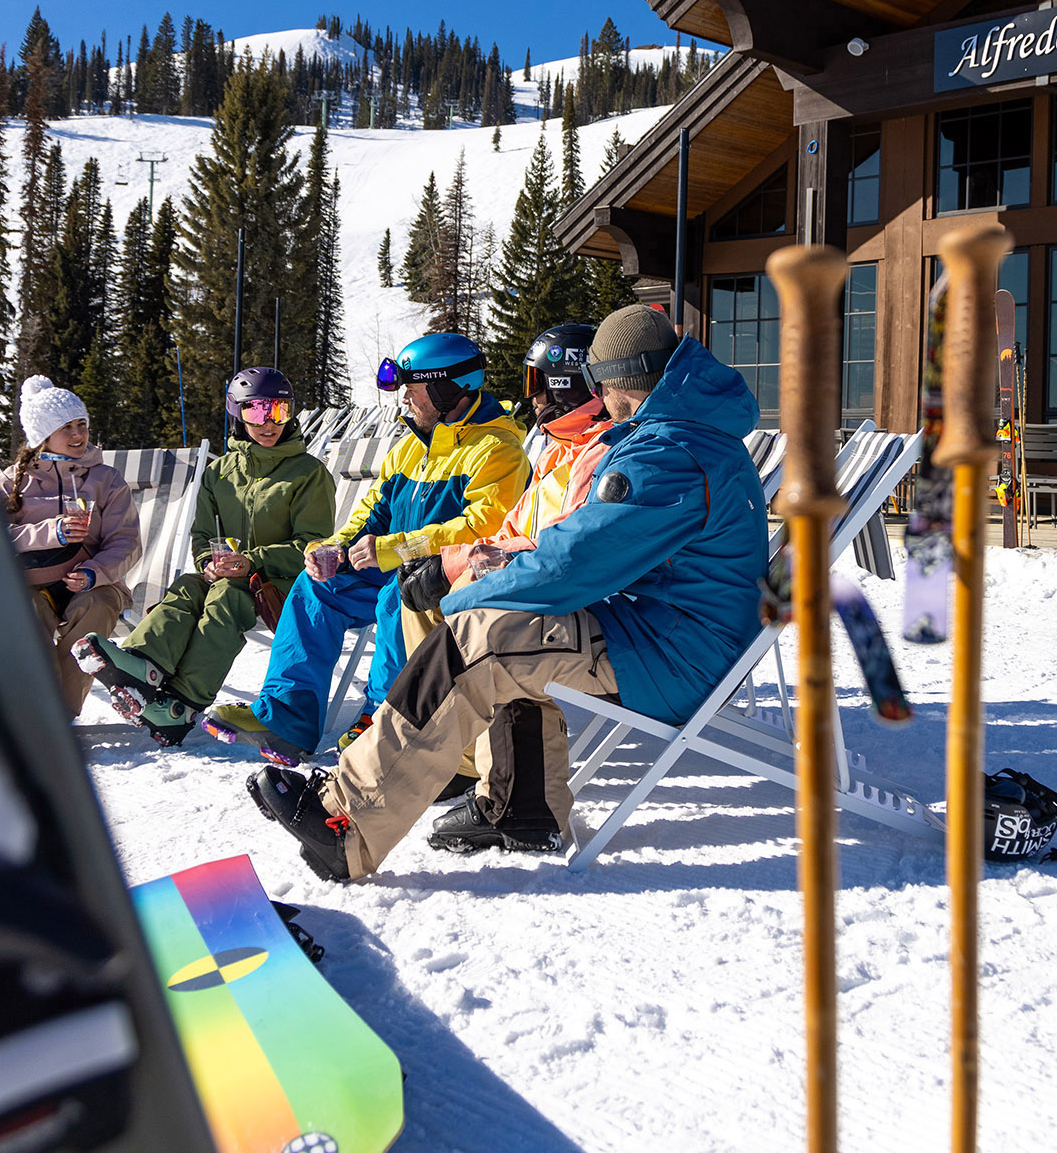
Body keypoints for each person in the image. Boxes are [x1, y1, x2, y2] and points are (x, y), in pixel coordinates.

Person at [248, 305, 770, 881]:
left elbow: (572, 561)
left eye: (597, 381)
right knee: (508, 623)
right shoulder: (684, 435)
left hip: (678, 656)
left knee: (478, 640)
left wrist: (460, 597)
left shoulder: (668, 455)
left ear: (618, 378)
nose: (596, 395)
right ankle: (523, 806)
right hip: (671, 632)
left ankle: (344, 825)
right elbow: (580, 551)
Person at [205, 332, 530, 764]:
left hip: (452, 578)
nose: (405, 400)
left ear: (448, 389)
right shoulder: (411, 448)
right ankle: (286, 719)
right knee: (315, 587)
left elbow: (481, 529)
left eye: (413, 390)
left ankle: (383, 718)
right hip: (396, 567)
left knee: (400, 593)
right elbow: (372, 514)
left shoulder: (497, 450)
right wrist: (335, 548)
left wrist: (395, 549)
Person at [395, 322, 614, 848]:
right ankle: (465, 758)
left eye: (538, 382)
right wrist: (449, 561)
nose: (531, 396)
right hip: (543, 587)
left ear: (569, 384)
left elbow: (563, 550)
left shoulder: (598, 452)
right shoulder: (558, 447)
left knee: (481, 619)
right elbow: (513, 527)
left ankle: (501, 786)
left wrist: (460, 567)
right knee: (421, 596)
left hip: (579, 609)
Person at [72, 367, 334, 745]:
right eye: (256, 411)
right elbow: (202, 536)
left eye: (279, 411)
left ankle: (181, 704)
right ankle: (143, 666)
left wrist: (252, 562)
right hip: (230, 576)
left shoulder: (308, 473)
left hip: (283, 582)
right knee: (189, 586)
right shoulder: (219, 473)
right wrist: (207, 564)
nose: (268, 423)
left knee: (227, 596)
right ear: (237, 414)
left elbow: (313, 546)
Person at [0, 375, 139, 715]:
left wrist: (94, 573)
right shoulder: (12, 481)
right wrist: (50, 532)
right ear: (43, 435)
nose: (78, 435)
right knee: (22, 612)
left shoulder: (105, 479)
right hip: (30, 585)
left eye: (82, 425)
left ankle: (60, 714)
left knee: (97, 608)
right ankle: (39, 710)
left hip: (94, 584)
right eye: (66, 428)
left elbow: (127, 541)